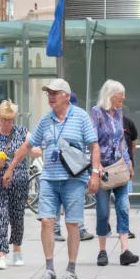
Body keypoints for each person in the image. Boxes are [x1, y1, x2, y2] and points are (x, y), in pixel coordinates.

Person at [4, 79, 100, 279]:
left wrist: (95, 173)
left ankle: (71, 269)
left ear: (66, 95)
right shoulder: (45, 120)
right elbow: (27, 146)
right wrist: (11, 168)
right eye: (48, 93)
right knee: (47, 221)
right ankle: (49, 268)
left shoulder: (81, 117)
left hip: (74, 179)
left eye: (54, 93)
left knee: (72, 223)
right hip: (49, 178)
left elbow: (94, 147)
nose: (50, 97)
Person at [90, 81, 138, 267]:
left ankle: (125, 250)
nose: (123, 98)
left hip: (119, 167)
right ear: (111, 95)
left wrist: (129, 164)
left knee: (123, 208)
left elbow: (121, 143)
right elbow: (92, 142)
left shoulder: (118, 114)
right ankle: (102, 251)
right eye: (121, 94)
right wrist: (96, 166)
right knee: (102, 211)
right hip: (102, 169)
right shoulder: (96, 112)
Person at [0, 101, 31, 270]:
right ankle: (2, 254)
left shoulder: (22, 132)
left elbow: (37, 149)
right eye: (4, 119)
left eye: (10, 120)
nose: (7, 123)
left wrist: (27, 150)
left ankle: (17, 250)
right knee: (1, 217)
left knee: (17, 216)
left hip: (19, 180)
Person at [54, 92, 94, 242]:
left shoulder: (80, 118)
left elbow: (90, 143)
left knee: (78, 199)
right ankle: (57, 229)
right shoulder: (55, 120)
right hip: (59, 167)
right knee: (58, 199)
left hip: (76, 167)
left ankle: (80, 228)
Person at [122, 114, 138, 239]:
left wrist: (129, 163)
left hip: (125, 165)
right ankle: (105, 226)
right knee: (105, 200)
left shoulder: (128, 123)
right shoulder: (102, 122)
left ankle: (125, 227)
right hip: (106, 166)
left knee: (124, 197)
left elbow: (133, 146)